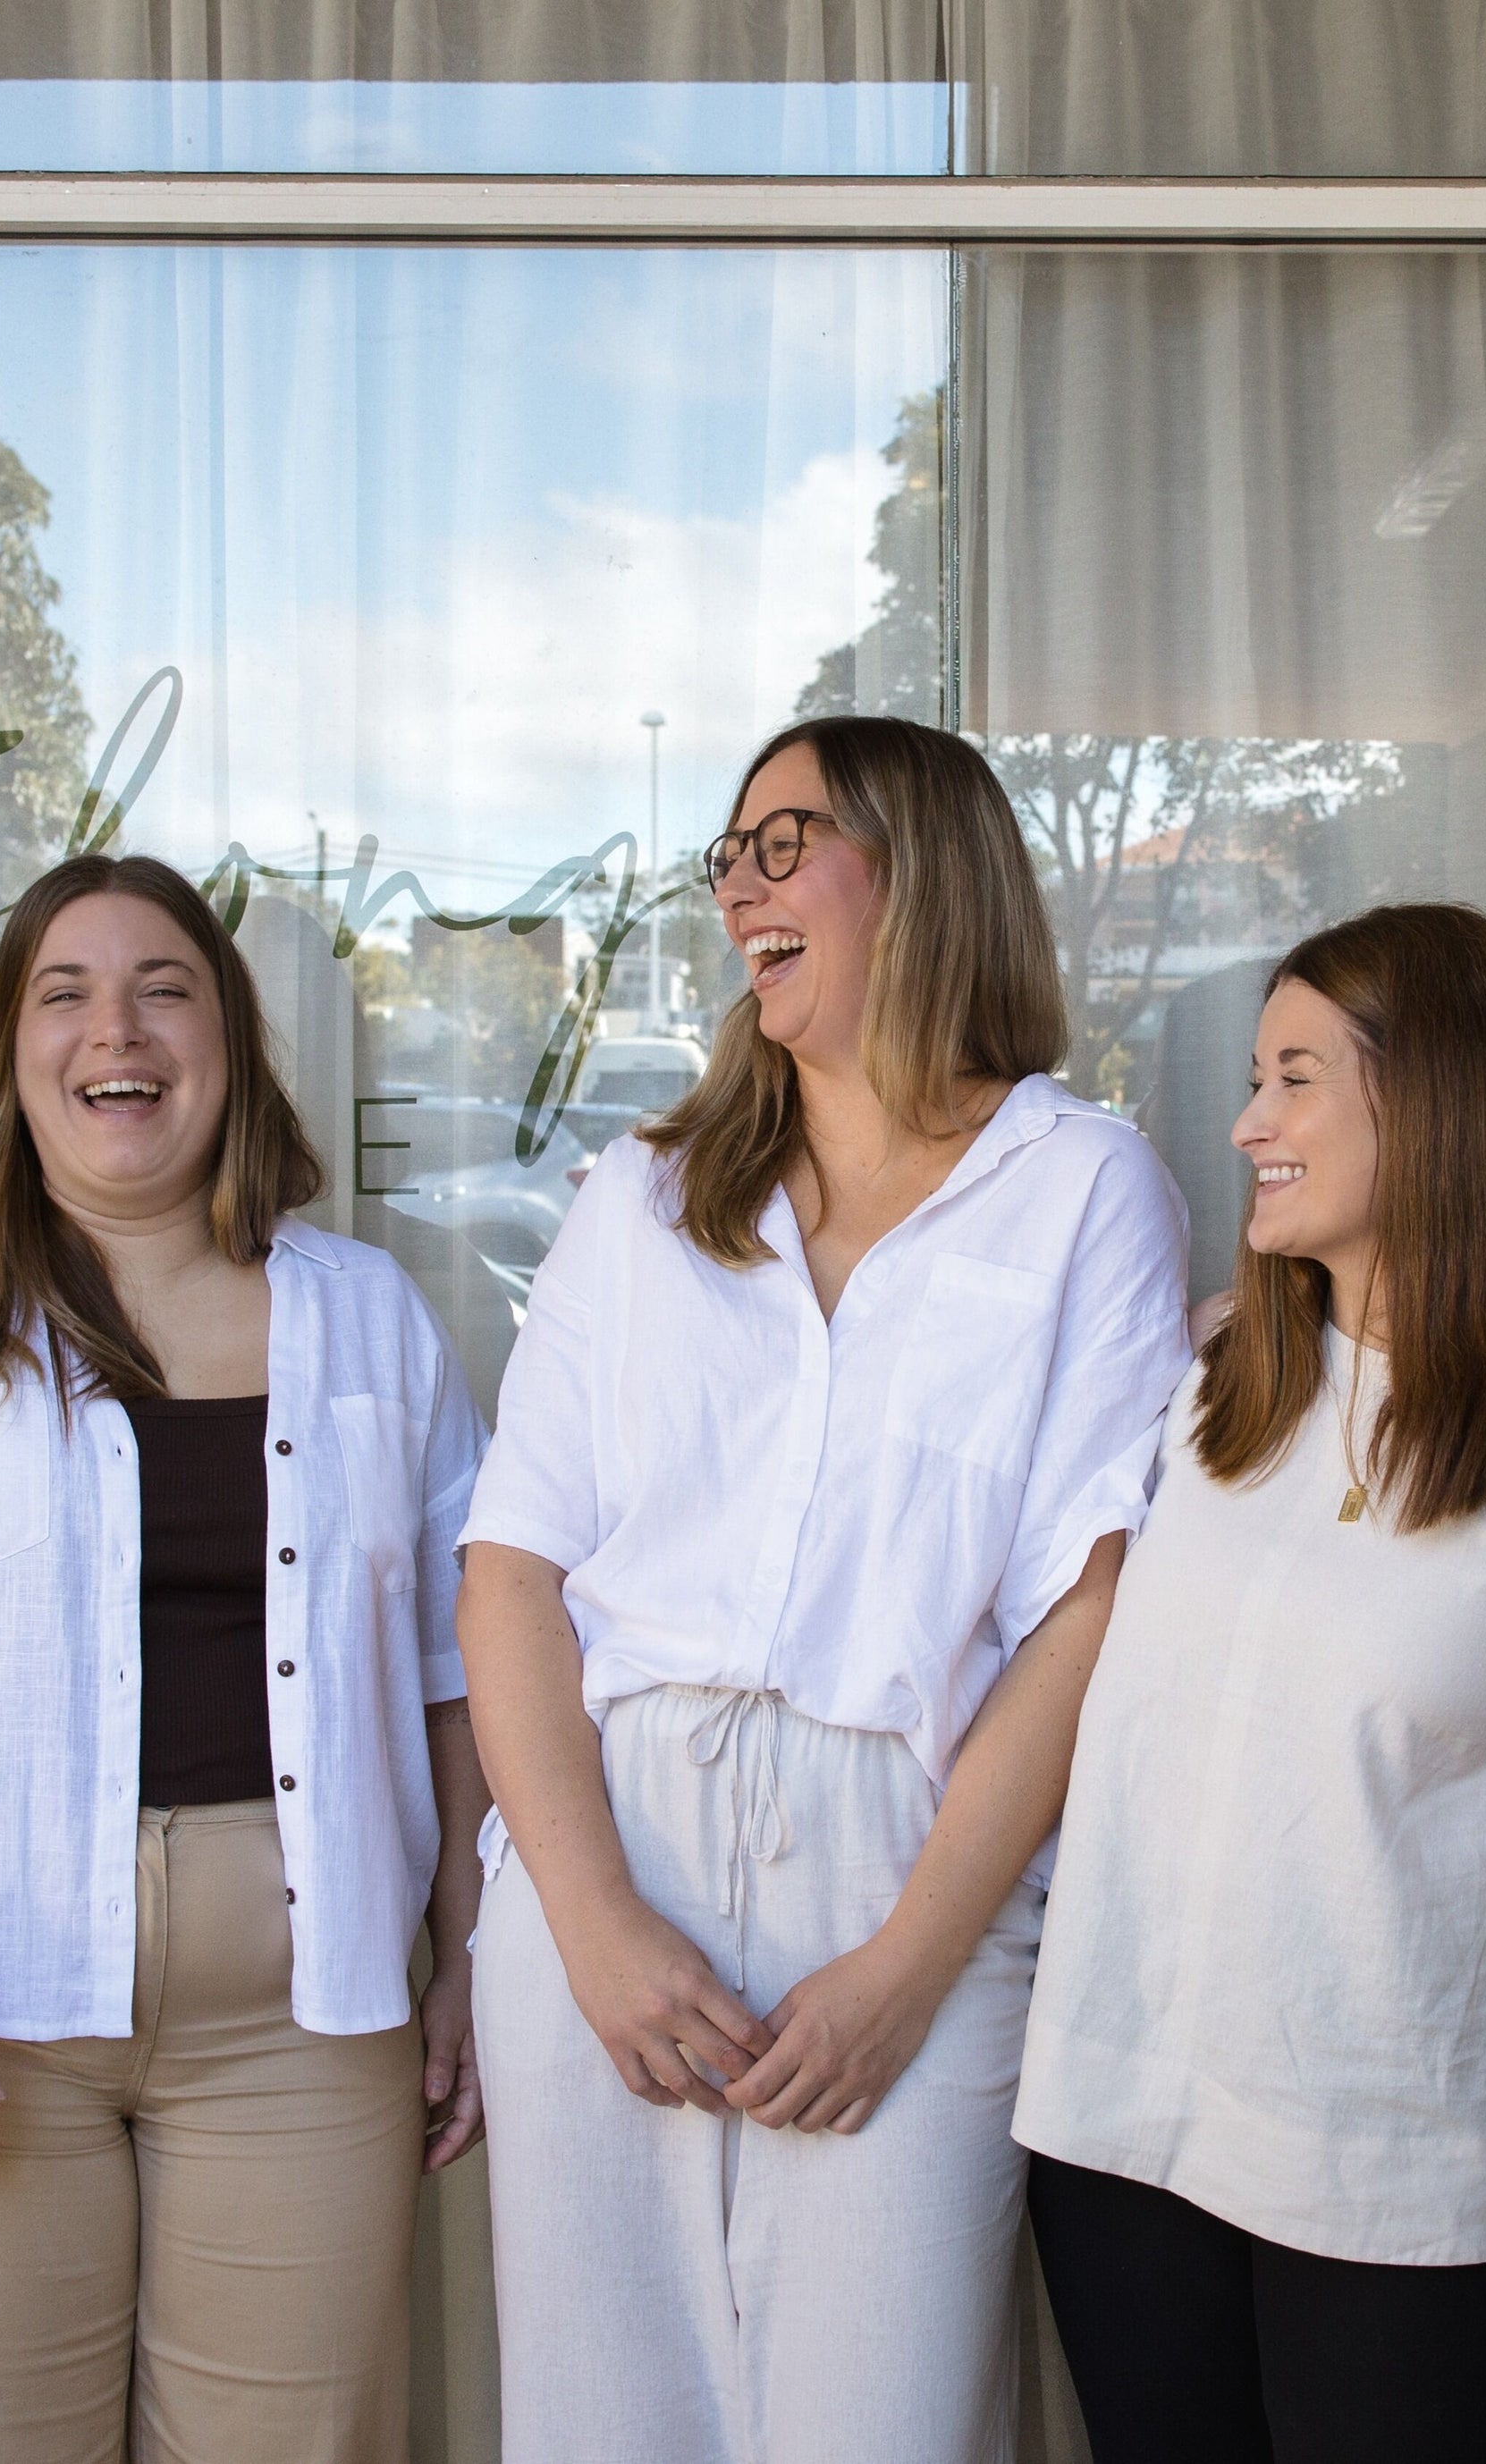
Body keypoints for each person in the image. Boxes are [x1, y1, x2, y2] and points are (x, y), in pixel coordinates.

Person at [460, 713, 1190, 2464]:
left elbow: (1090, 1610)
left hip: (907, 1869)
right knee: (603, 2429)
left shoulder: (1081, 1188)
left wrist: (910, 1964)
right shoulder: (644, 1198)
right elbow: (510, 1571)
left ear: (918, 870)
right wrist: (591, 1923)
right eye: (730, 854)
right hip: (605, 1841)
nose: (738, 887)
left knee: (891, 2425)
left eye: (784, 843)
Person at [0, 853, 488, 2464]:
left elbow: (448, 1667)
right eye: (63, 992)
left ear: (228, 1040)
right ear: (13, 1048)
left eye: (164, 988)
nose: (113, 1029)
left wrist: (472, 1955)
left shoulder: (368, 1317)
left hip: (308, 2013)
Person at [1011, 903, 1486, 2464]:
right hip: (1122, 2113)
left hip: (1399, 2160)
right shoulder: (1215, 1382)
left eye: (1294, 1080)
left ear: (1439, 1107)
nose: (1246, 1123)